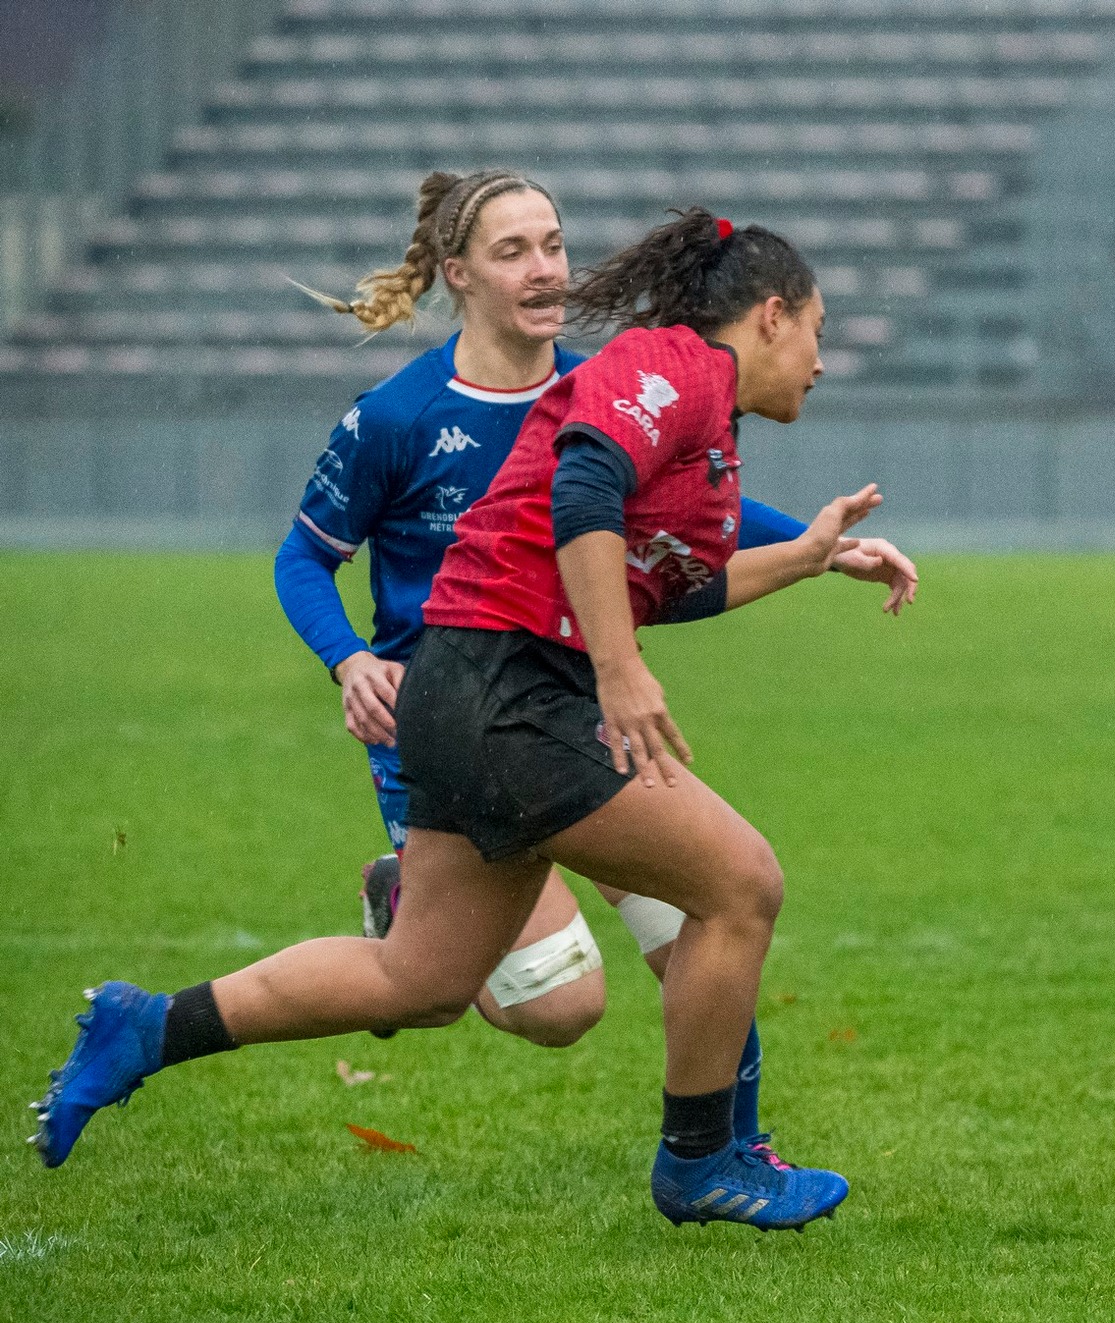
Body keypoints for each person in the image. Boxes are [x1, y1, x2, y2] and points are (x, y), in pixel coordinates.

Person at [35, 207, 890, 1232]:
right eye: (819, 332)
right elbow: (584, 491)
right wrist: (619, 673)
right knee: (739, 883)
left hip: (464, 689)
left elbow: (675, 581)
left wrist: (805, 555)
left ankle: (146, 1026)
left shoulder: (703, 429)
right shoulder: (670, 368)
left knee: (424, 978)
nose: (821, 361)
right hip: (509, 690)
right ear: (769, 314)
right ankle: (704, 1158)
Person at [276, 170, 915, 1153]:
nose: (544, 270)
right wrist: (348, 659)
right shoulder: (399, 417)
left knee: (706, 914)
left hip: (567, 711)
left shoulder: (600, 384)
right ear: (458, 273)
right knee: (557, 1006)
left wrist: (819, 550)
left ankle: (730, 1145)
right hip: (451, 724)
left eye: (554, 245)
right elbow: (304, 558)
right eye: (511, 251)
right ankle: (405, 895)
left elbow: (695, 504)